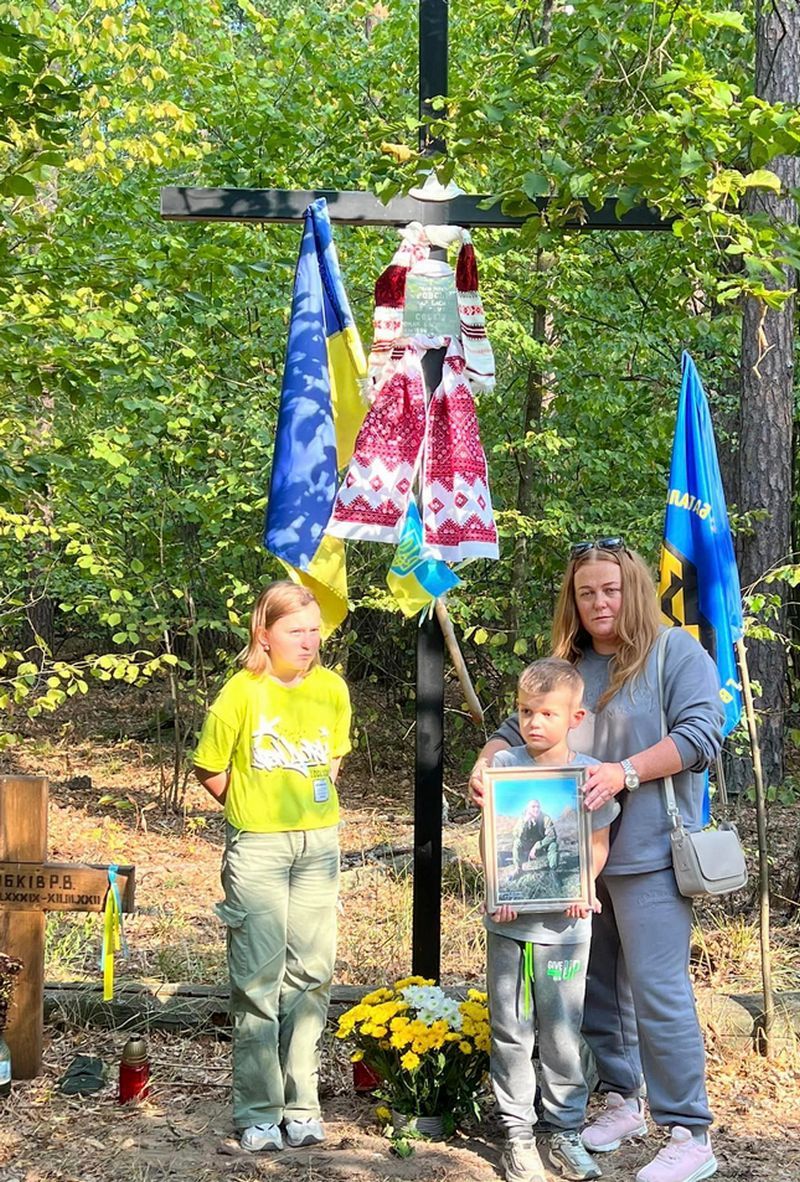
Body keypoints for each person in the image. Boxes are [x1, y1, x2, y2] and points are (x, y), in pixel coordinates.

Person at [471, 539, 724, 1182]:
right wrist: (483, 763)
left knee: (659, 991)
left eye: (610, 589)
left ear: (632, 588)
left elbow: (701, 736)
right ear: (574, 601)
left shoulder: (674, 651)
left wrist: (624, 773)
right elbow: (516, 727)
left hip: (650, 856)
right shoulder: (570, 664)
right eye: (587, 592)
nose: (599, 602)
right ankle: (622, 1099)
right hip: (571, 866)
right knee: (598, 993)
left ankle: (689, 1131)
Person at [193, 581, 351, 1153]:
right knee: (258, 981)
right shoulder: (241, 692)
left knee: (312, 974)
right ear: (265, 634)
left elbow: (330, 761)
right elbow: (210, 768)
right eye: (295, 631)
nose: (308, 641)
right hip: (258, 848)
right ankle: (259, 1110)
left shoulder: (332, 689)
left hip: (318, 846)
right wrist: (251, 807)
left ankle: (302, 1104)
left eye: (314, 630)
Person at [480, 658, 619, 1182]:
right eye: (525, 712)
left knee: (562, 1030)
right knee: (511, 1029)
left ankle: (564, 1129)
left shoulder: (587, 775)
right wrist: (501, 888)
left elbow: (595, 843)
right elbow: (496, 839)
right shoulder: (504, 770)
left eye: (547, 713)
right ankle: (518, 1135)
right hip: (510, 930)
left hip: (566, 931)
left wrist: (584, 890)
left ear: (575, 717)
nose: (535, 722)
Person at [511, 798, 559, 875]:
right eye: (533, 807)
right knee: (517, 842)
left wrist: (537, 846)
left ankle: (553, 870)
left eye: (538, 807)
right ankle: (518, 869)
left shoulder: (545, 818)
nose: (536, 809)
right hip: (527, 847)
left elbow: (552, 836)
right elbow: (516, 834)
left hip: (541, 847)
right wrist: (524, 822)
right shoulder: (522, 818)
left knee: (553, 845)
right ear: (528, 808)